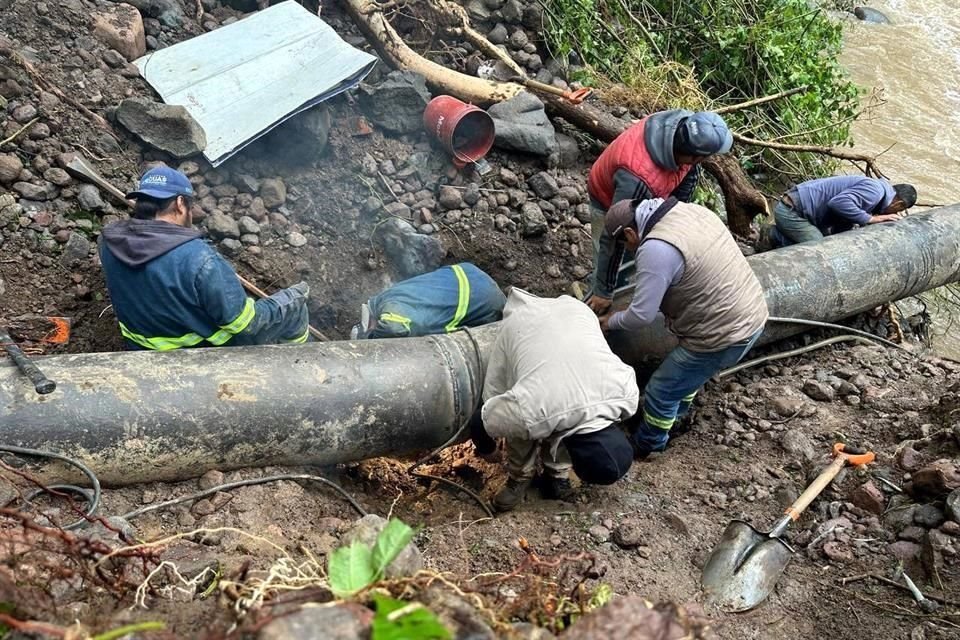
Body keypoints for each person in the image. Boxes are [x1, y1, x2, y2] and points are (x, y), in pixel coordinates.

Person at [598, 197, 768, 457]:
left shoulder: (656, 249)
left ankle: (649, 444)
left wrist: (610, 321)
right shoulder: (692, 212)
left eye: (625, 244)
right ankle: (677, 417)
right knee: (684, 378)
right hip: (751, 313)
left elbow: (641, 316)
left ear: (630, 233)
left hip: (723, 333)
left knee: (660, 390)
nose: (629, 249)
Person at [100, 166, 311, 351]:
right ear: (181, 203)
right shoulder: (198, 259)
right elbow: (244, 323)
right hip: (200, 355)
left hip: (141, 348)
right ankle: (295, 366)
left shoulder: (108, 241)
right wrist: (291, 298)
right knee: (295, 306)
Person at [470, 288, 639, 512]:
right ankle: (520, 476)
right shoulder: (529, 409)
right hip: (522, 325)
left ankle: (556, 474)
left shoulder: (628, 395)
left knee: (559, 426)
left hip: (575, 310)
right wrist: (487, 448)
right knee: (521, 429)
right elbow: (481, 419)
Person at [586, 109, 734, 314]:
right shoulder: (638, 177)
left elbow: (687, 178)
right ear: (695, 156)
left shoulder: (683, 130)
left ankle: (620, 284)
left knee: (637, 249)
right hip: (607, 195)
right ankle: (600, 294)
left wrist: (675, 221)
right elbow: (613, 236)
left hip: (645, 188)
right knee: (617, 247)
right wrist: (603, 291)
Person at [350, 263, 506, 339]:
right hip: (469, 272)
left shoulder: (389, 308)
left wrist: (372, 339)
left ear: (370, 323)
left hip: (483, 301)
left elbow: (393, 328)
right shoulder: (390, 295)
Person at [767, 175, 916, 248]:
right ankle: (771, 236)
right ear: (899, 204)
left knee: (831, 245)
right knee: (818, 248)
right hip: (791, 212)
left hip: (804, 213)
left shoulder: (877, 194)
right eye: (900, 210)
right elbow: (838, 203)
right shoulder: (875, 191)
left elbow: (843, 222)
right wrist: (871, 219)